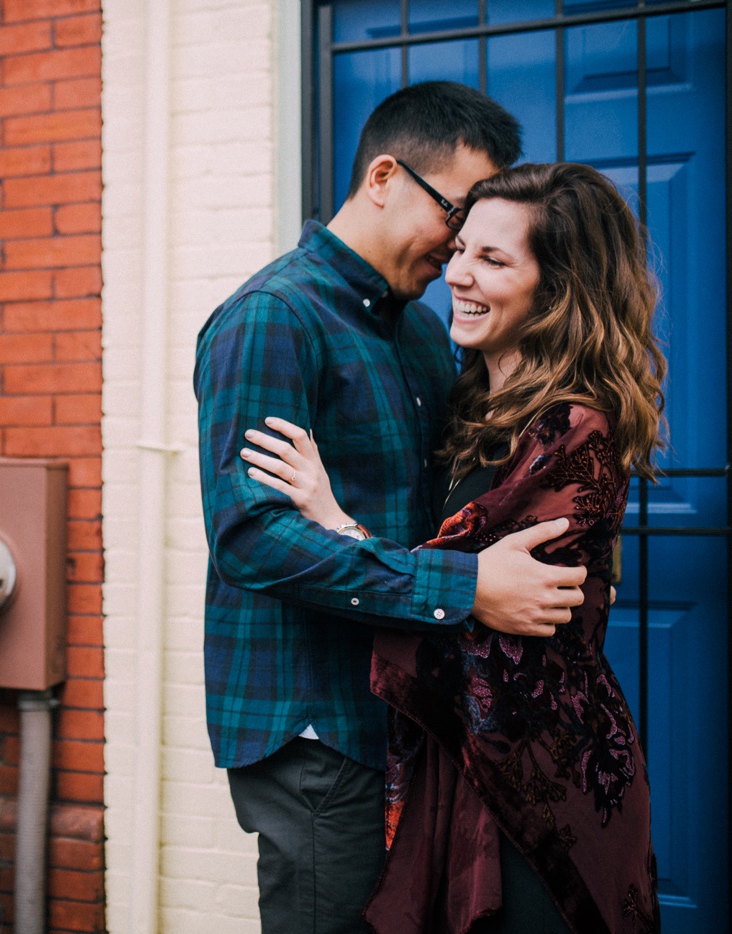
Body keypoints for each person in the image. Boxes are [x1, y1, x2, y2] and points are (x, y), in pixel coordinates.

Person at [194, 81, 588, 933]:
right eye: (454, 214)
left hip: (410, 715)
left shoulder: (417, 332)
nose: (457, 252)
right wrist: (464, 588)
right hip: (319, 728)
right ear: (383, 176)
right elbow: (251, 539)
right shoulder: (272, 320)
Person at [242, 162, 665, 932]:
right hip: (466, 762)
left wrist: (336, 521)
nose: (457, 275)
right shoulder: (470, 398)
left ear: (559, 284)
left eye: (493, 260)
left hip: (540, 788)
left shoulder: (574, 429)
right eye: (461, 249)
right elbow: (462, 582)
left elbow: (493, 628)